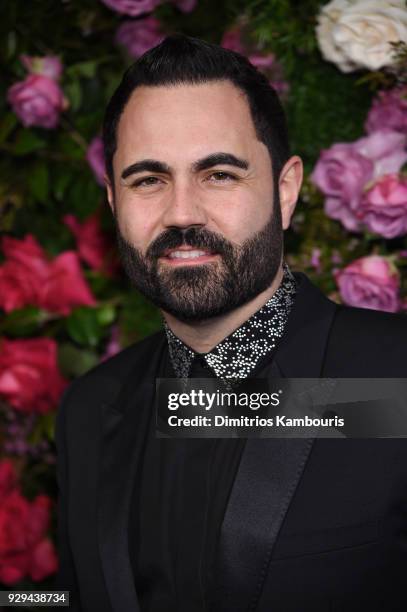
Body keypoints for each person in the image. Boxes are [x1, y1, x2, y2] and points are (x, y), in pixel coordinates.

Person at [55, 34, 407, 612]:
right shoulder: (90, 409)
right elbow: (65, 598)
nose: (182, 213)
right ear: (115, 204)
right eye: (148, 180)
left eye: (219, 174)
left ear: (285, 190)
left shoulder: (393, 380)